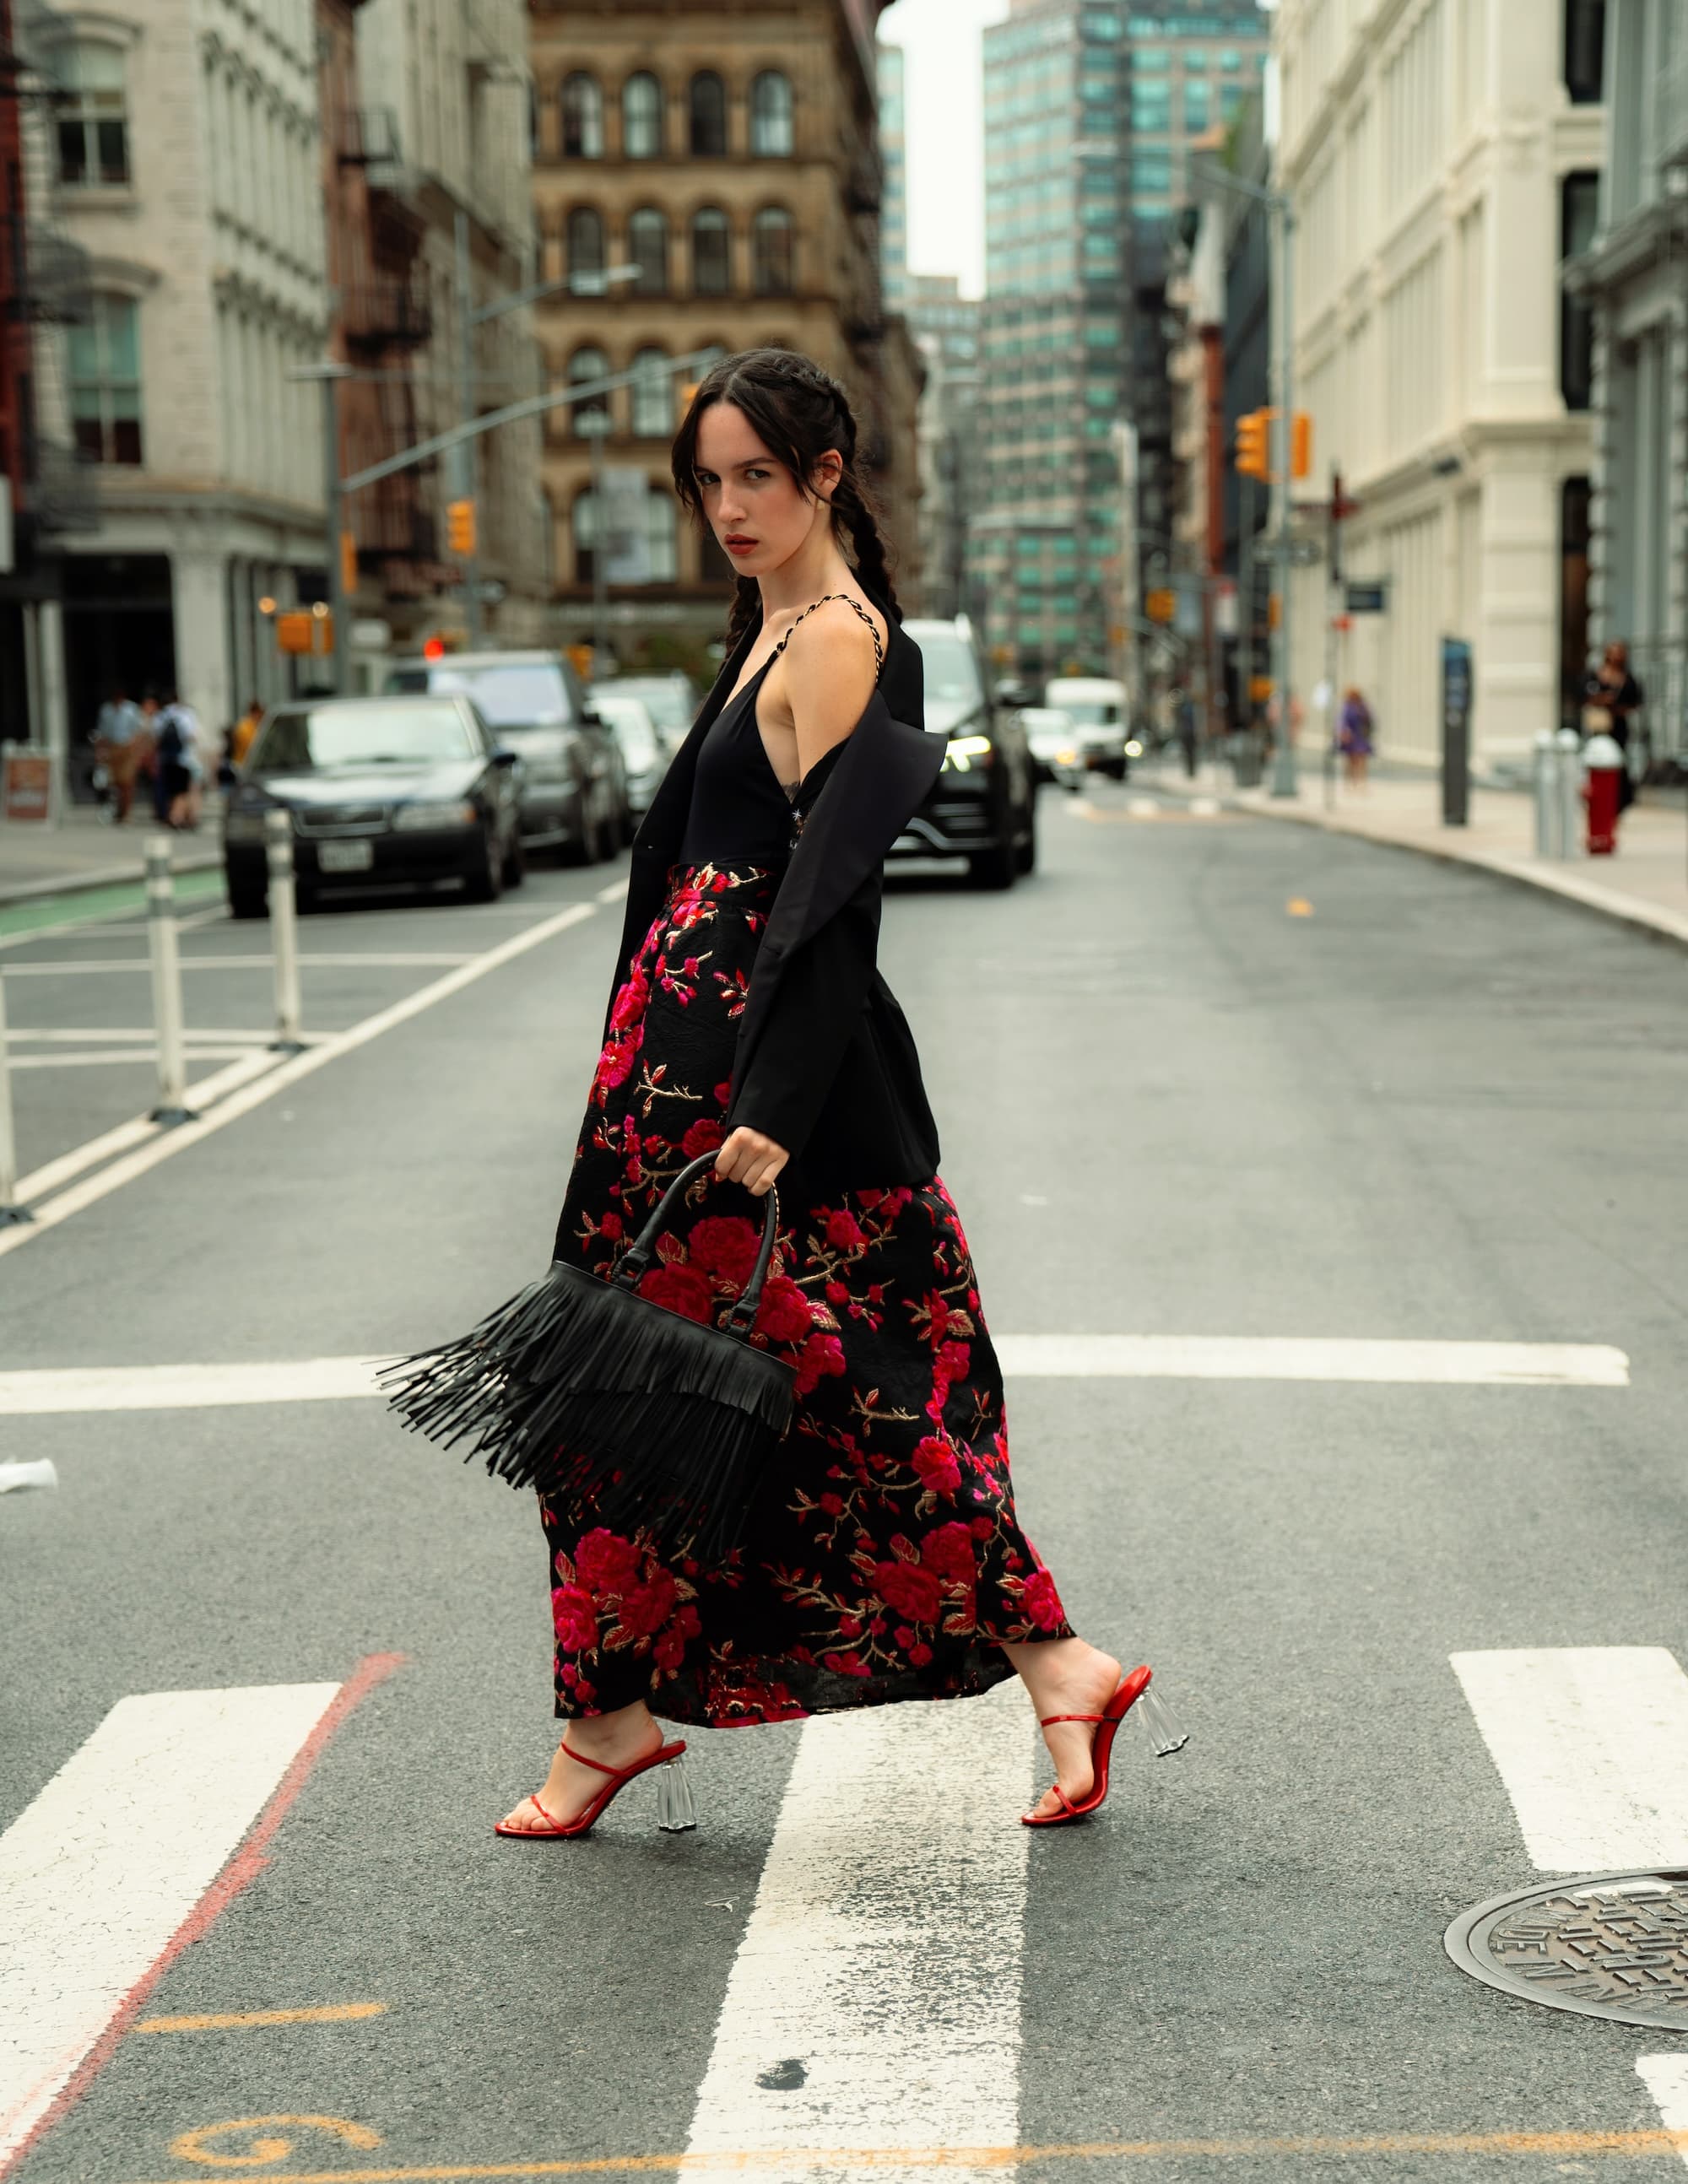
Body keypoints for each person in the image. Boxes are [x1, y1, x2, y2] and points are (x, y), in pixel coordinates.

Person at [479, 350, 1179, 1841]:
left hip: (736, 1088)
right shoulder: (781, 622)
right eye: (708, 480)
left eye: (755, 476)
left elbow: (833, 901)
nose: (728, 506)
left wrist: (776, 1109)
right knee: (759, 1396)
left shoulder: (842, 640)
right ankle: (1046, 1661)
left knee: (755, 1396)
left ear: (826, 473)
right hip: (679, 1070)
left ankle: (623, 1713)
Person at [1583, 641, 1643, 813]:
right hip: (1600, 725)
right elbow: (1584, 695)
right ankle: (1598, 797)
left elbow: (1636, 701)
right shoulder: (1595, 675)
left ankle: (1619, 799)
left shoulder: (1628, 678)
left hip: (1619, 725)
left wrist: (1620, 709)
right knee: (1597, 758)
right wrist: (1601, 700)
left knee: (1618, 761)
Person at [93, 687, 143, 822]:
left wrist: (135, 751)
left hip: (127, 748)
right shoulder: (106, 710)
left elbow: (138, 732)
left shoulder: (132, 710)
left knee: (127, 782)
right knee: (115, 783)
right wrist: (101, 750)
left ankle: (126, 812)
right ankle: (118, 811)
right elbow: (102, 732)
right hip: (112, 747)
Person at [1337, 686, 1373, 788]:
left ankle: (1361, 783)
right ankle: (1351, 783)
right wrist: (1343, 732)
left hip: (1360, 737)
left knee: (1361, 761)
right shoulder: (1348, 707)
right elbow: (1342, 721)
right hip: (1351, 737)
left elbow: (1370, 721)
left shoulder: (1363, 707)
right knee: (1351, 761)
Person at [230, 696, 264, 769]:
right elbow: (252, 746)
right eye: (260, 714)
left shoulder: (252, 725)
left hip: (245, 763)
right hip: (243, 764)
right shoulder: (245, 727)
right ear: (256, 713)